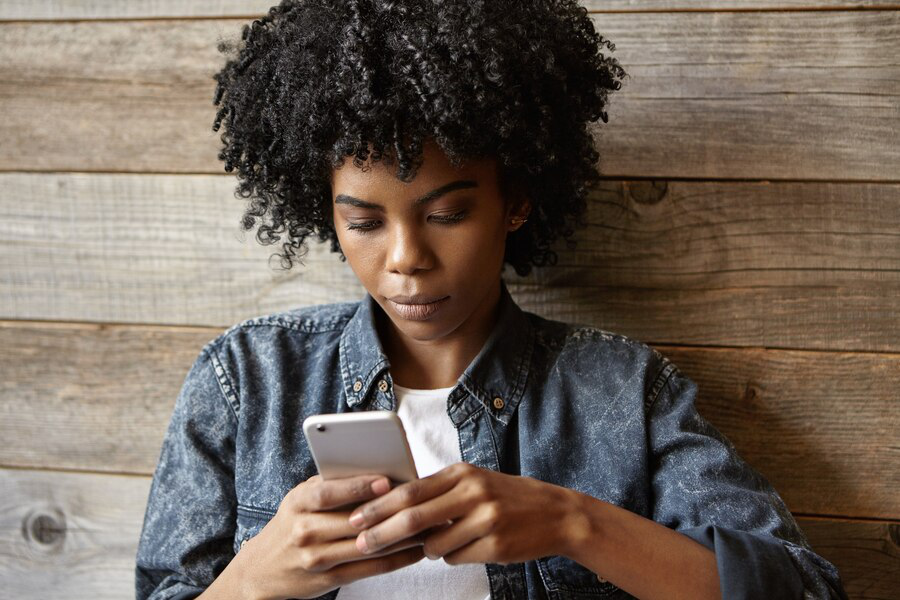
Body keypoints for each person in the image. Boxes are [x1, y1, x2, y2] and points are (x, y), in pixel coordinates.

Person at [135, 1, 849, 599]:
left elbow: (803, 588)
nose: (407, 258)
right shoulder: (246, 379)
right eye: (363, 222)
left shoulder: (623, 393)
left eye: (446, 214)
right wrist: (257, 578)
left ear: (517, 201)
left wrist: (576, 524)